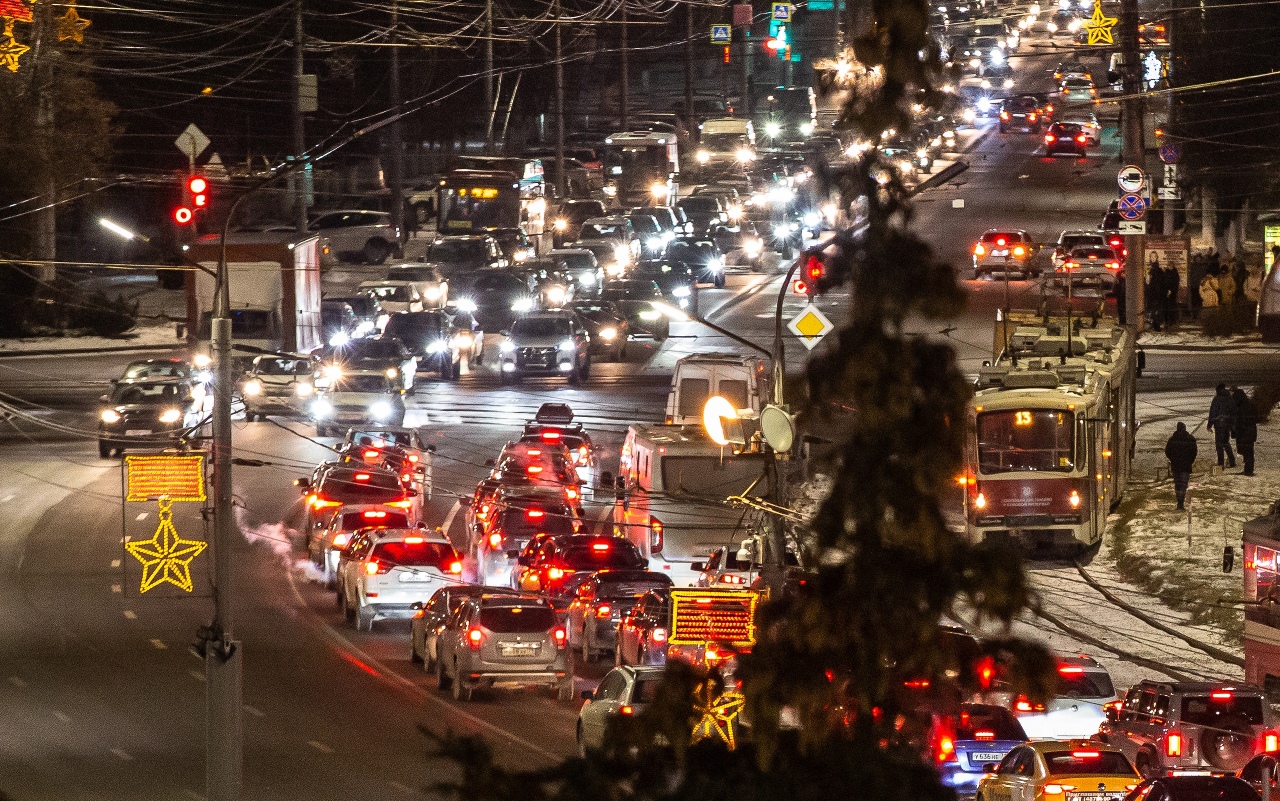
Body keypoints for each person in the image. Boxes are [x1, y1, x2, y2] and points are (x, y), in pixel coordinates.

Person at [1165, 422, 1198, 510]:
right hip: (1186, 466)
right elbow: (1194, 452)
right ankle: (1181, 503)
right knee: (1183, 484)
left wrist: (1173, 459)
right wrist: (1190, 461)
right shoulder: (1190, 439)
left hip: (1175, 465)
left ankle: (1179, 502)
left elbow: (1167, 452)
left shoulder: (1172, 439)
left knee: (1177, 484)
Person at [1208, 383, 1237, 469]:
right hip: (1227, 425)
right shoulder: (1229, 398)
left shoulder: (1216, 399)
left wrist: (1209, 424)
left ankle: (1221, 465)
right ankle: (1232, 462)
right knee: (1226, 443)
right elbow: (1234, 411)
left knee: (1219, 445)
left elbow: (1212, 412)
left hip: (1219, 426)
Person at [1232, 386, 1258, 476]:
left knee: (1247, 452)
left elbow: (1240, 421)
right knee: (1249, 451)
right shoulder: (1250, 404)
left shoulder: (1240, 407)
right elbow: (1256, 417)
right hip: (1251, 431)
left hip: (1244, 432)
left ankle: (1248, 471)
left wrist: (1236, 431)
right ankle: (1248, 469)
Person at [1146, 260, 1164, 329]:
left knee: (1154, 308)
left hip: (1153, 293)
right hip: (1159, 293)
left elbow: (1148, 283)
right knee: (1159, 308)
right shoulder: (1161, 272)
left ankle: (1154, 323)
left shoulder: (1152, 272)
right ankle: (1158, 322)